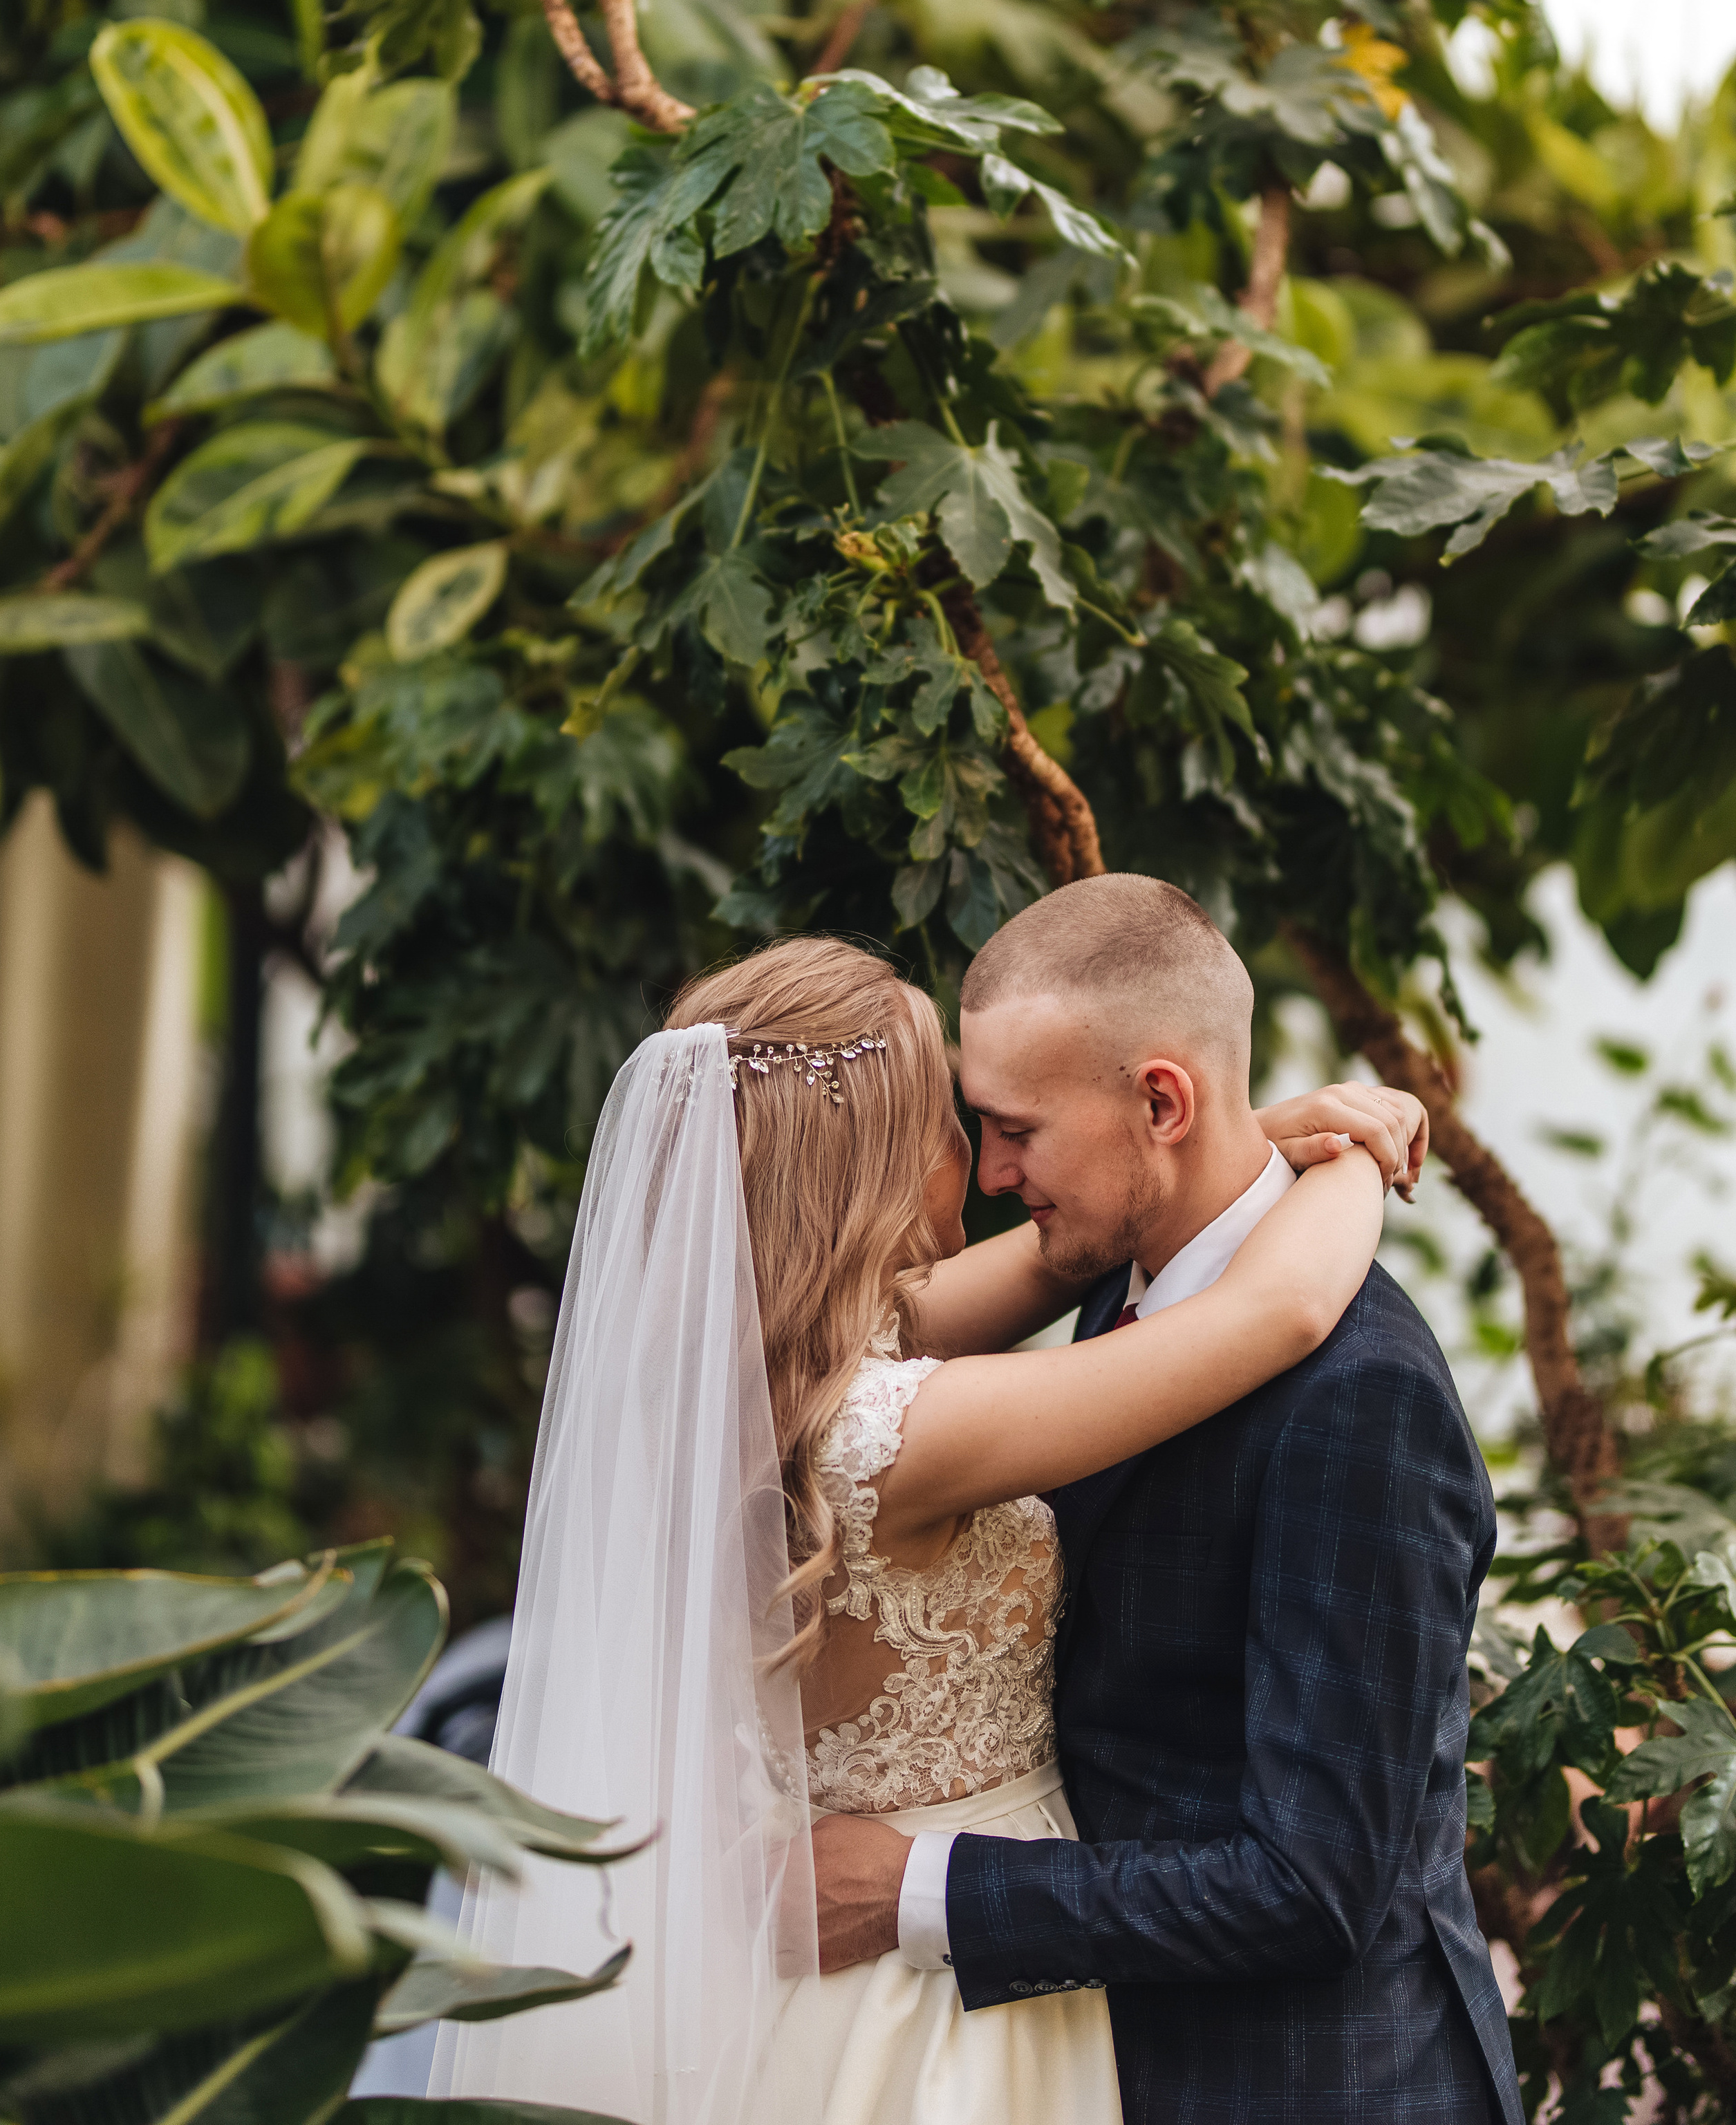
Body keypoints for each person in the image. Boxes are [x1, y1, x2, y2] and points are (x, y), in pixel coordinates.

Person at [427, 908, 1430, 2125]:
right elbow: (1271, 1315)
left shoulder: (759, 1376)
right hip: (931, 2003)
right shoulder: (890, 1429)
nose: (996, 1174)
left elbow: (1073, 1257)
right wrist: (1355, 1162)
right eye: (966, 1131)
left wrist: (1236, 1142)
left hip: (867, 1979)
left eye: (1011, 1131)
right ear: (887, 1169)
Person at [813, 877, 1522, 2125]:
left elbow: (1312, 1886)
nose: (990, 1174)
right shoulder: (1119, 1279)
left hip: (1310, 2088)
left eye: (1018, 1130)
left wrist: (917, 1893)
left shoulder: (1362, 1397)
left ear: (1160, 1101)